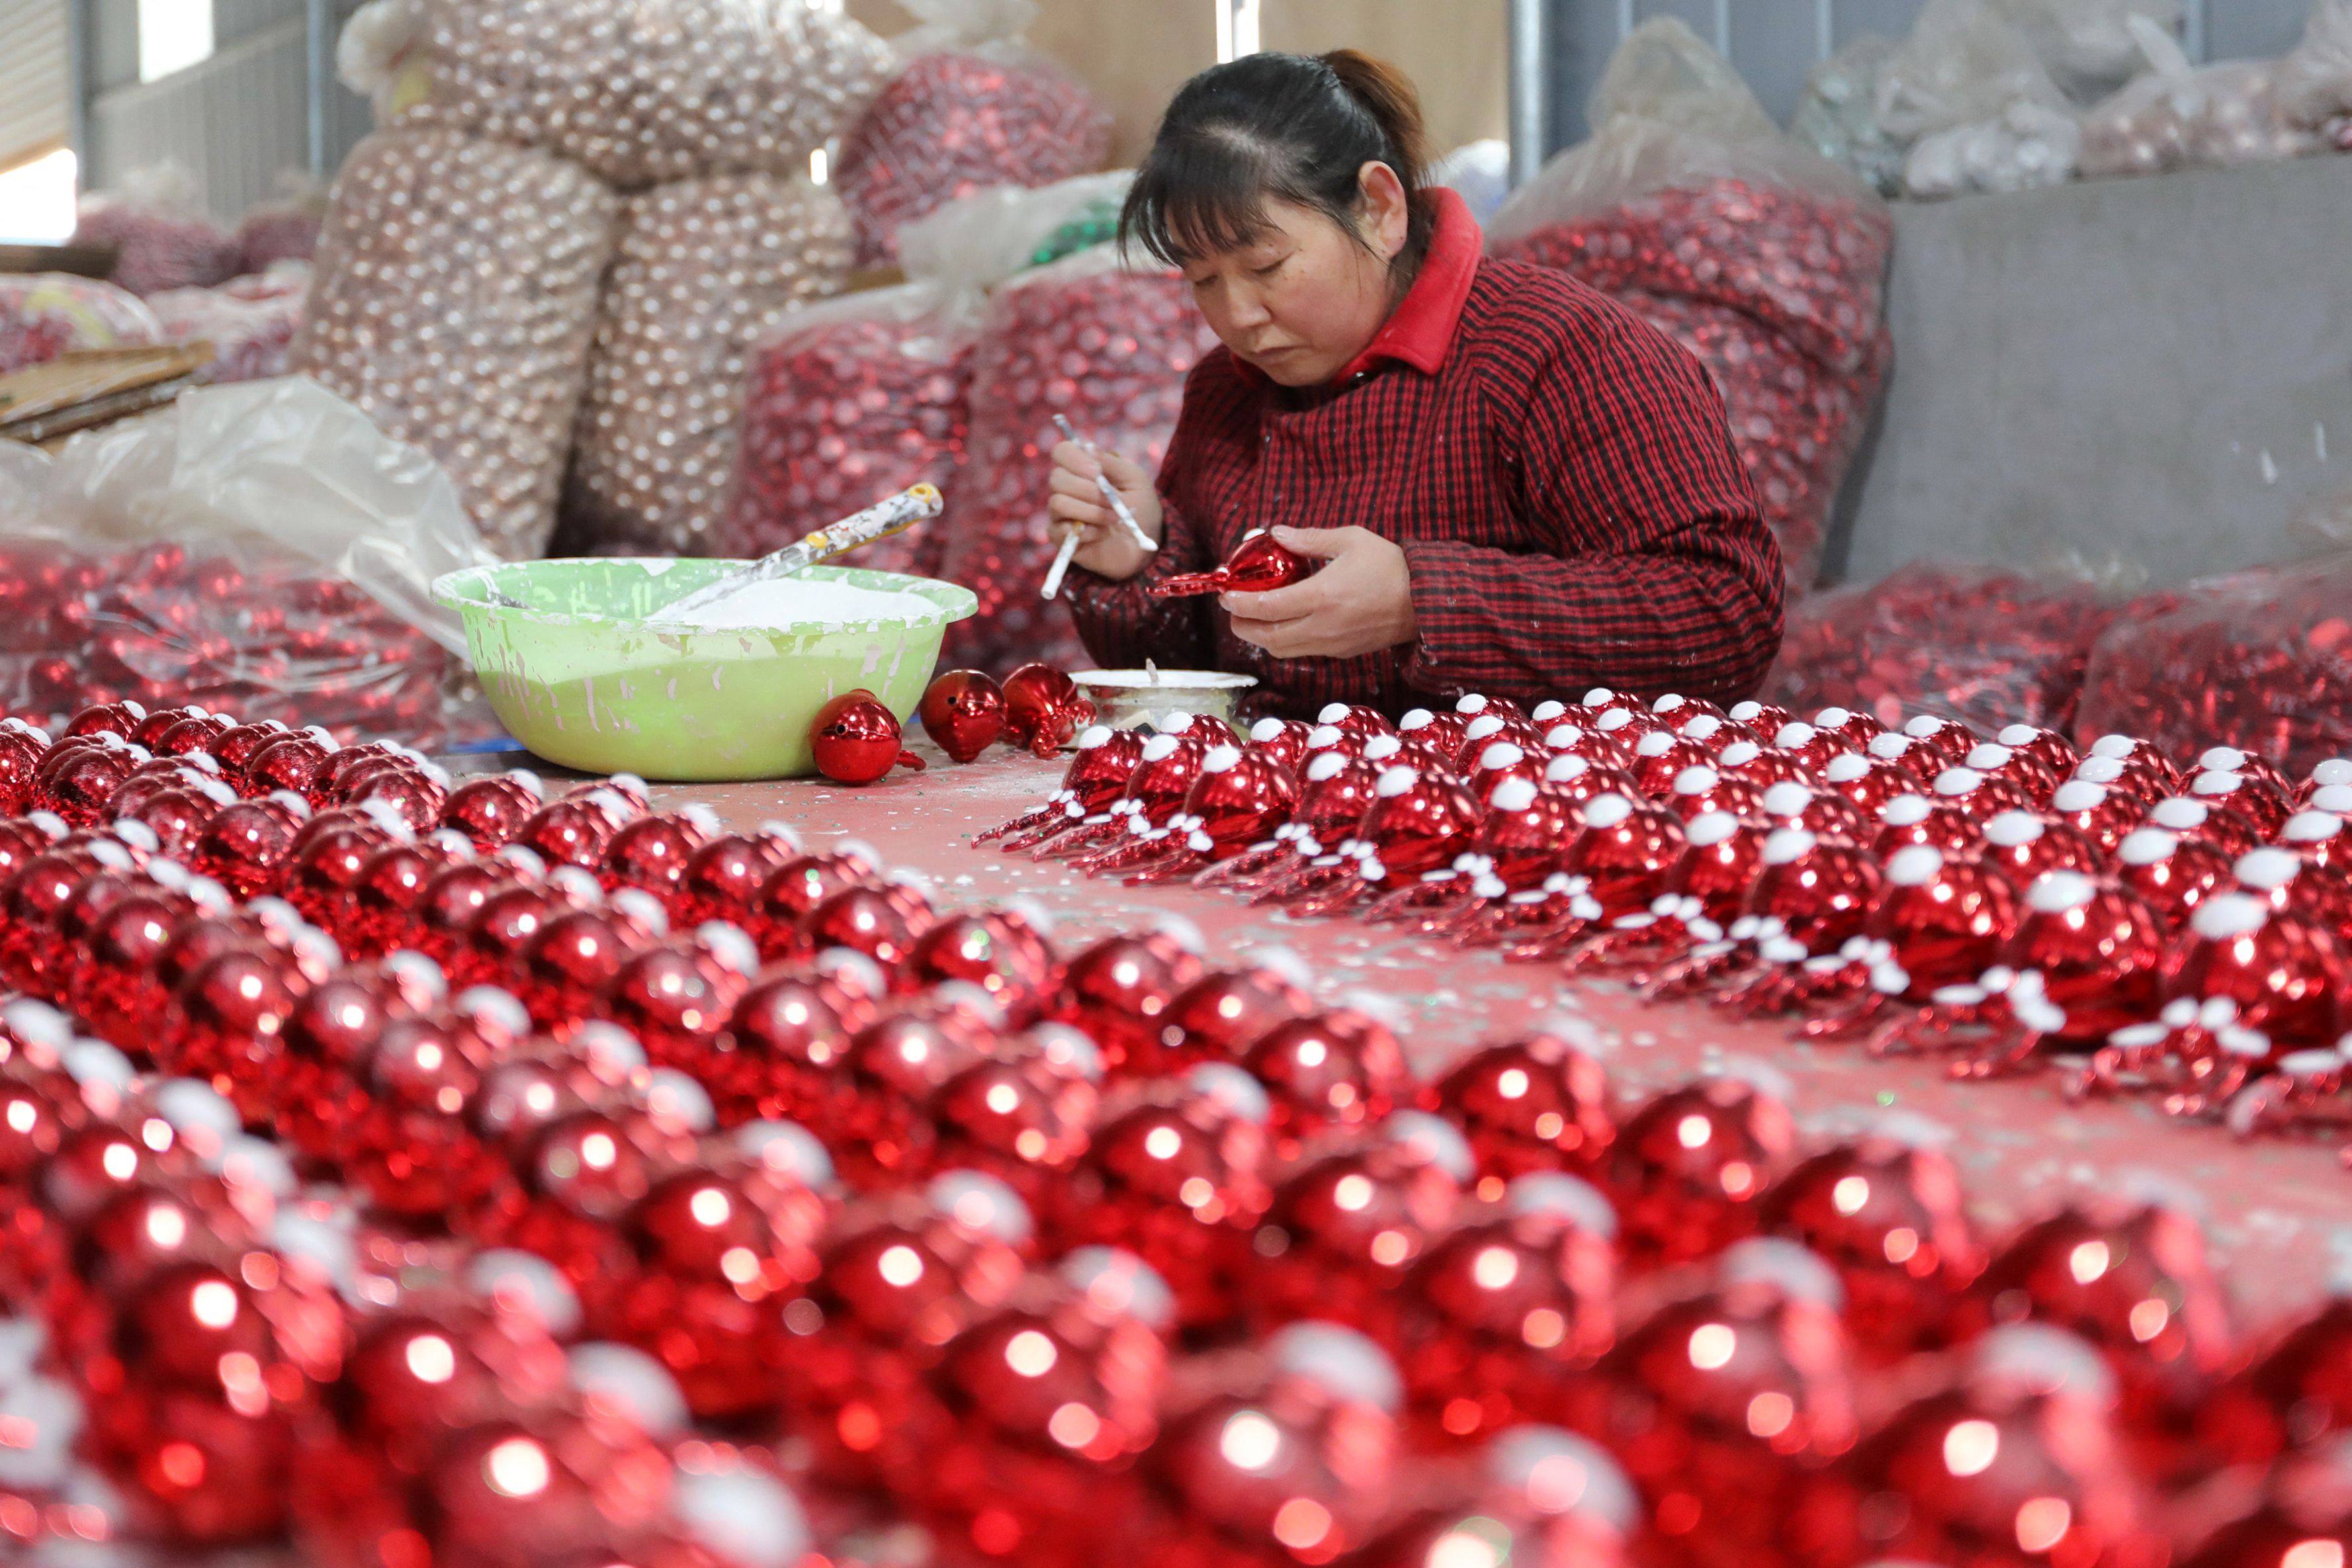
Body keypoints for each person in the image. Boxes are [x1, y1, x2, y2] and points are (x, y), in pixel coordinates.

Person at [1049, 50, 1785, 718]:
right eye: (1203, 279)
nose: (1237, 315)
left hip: (1523, 830)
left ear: (1380, 208)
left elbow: (1725, 616)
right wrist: (1143, 559)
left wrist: (1423, 605)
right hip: (1285, 824)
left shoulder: (1558, 350)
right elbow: (1203, 681)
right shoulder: (1226, 391)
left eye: (1267, 266)